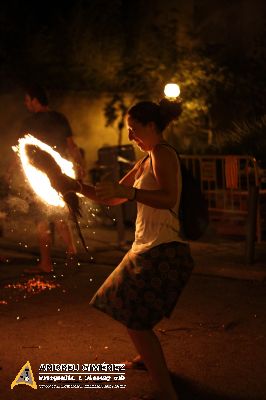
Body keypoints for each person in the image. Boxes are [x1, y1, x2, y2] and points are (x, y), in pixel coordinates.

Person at [52, 98, 194, 400]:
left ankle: (168, 392)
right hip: (146, 246)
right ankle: (148, 356)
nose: (131, 136)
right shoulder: (145, 160)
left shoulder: (163, 154)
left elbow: (169, 197)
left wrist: (127, 191)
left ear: (153, 126)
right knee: (122, 302)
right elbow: (111, 197)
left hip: (164, 250)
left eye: (134, 129)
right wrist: (74, 186)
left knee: (135, 319)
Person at [16, 84, 85, 274]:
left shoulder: (28, 123)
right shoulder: (60, 118)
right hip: (58, 175)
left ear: (35, 100)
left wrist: (12, 171)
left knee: (42, 218)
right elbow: (71, 146)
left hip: (39, 177)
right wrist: (79, 165)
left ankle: (46, 264)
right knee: (60, 213)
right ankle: (72, 252)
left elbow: (21, 152)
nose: (26, 104)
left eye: (27, 100)